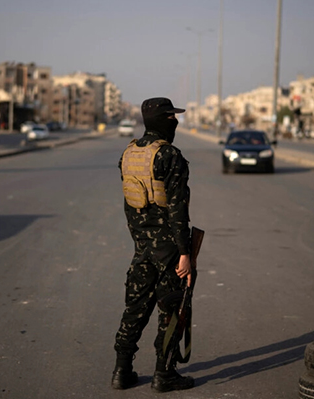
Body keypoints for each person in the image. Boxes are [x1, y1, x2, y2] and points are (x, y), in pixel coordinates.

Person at [113, 97, 195, 393]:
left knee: (135, 307)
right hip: (169, 250)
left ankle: (122, 371)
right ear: (163, 120)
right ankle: (165, 374)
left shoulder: (129, 153)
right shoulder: (170, 155)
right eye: (171, 116)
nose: (175, 121)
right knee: (171, 309)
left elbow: (130, 206)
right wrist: (184, 253)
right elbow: (178, 211)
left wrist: (141, 239)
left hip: (142, 246)